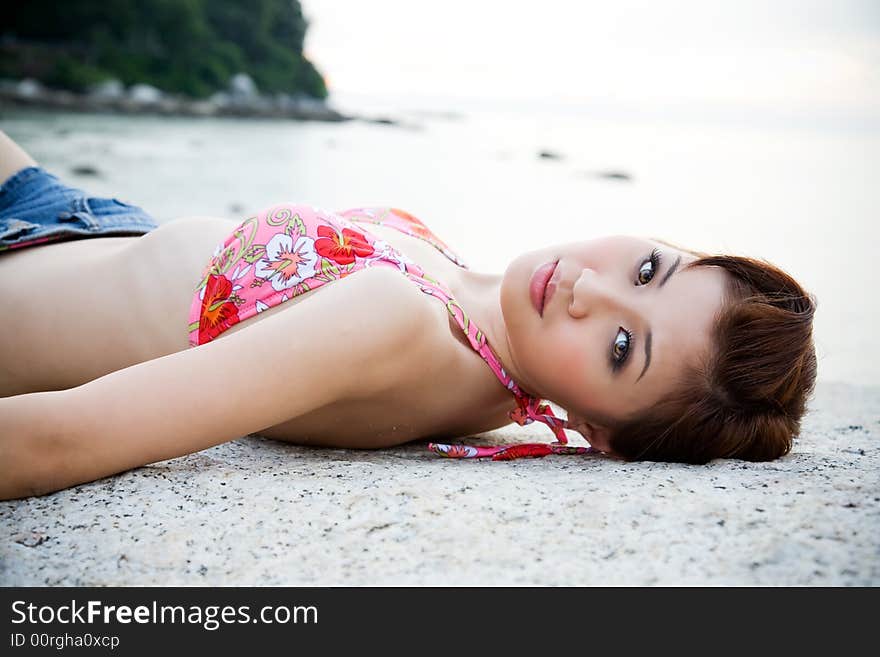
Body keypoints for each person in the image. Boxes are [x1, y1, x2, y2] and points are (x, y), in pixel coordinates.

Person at [0, 130, 817, 500]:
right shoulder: (481, 335)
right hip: (84, 214)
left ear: (604, 437)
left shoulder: (399, 332)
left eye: (618, 347)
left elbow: (65, 437)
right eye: (649, 267)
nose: (590, 290)